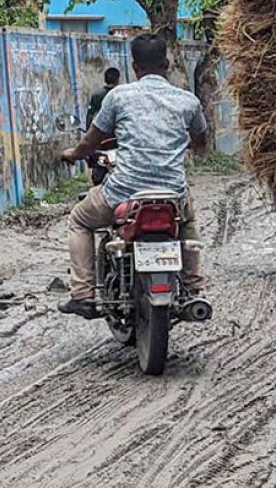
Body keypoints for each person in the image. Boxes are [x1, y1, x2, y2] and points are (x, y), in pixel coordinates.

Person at [57, 34, 207, 318]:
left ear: (135, 68)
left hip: (124, 193)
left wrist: (73, 154)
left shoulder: (118, 96)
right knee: (187, 220)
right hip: (171, 194)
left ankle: (83, 295)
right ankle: (193, 288)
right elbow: (200, 142)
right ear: (167, 63)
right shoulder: (188, 101)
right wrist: (182, 143)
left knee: (78, 219)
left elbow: (91, 141)